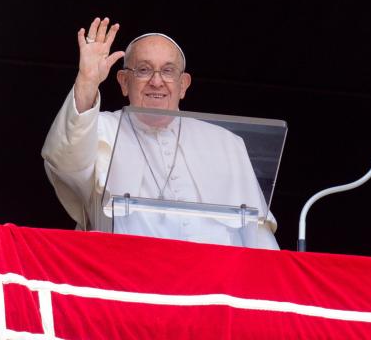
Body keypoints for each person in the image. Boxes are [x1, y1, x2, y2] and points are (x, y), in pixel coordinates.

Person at [42, 17, 279, 249]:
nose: (157, 81)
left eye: (168, 71)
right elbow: (65, 161)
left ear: (183, 85)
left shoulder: (226, 143)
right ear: (124, 82)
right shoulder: (100, 128)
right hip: (129, 277)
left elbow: (256, 231)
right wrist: (87, 82)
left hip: (215, 283)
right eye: (144, 70)